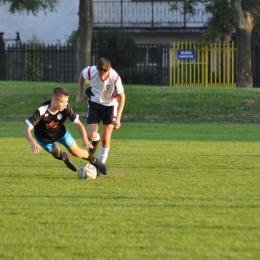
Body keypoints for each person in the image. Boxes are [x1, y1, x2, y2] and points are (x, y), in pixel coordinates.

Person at [23, 87, 107, 175]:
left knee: (77, 152)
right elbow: (26, 130)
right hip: (45, 139)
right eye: (62, 102)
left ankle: (96, 162)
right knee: (56, 154)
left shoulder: (66, 107)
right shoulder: (42, 111)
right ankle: (65, 158)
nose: (65, 104)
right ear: (53, 100)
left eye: (66, 101)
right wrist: (33, 142)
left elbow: (78, 124)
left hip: (61, 134)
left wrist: (85, 139)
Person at [76, 57, 125, 164]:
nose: (102, 76)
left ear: (109, 69)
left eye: (105, 73)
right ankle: (96, 138)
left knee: (106, 138)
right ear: (96, 69)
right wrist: (79, 95)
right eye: (99, 73)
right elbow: (82, 76)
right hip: (94, 103)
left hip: (110, 106)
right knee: (91, 136)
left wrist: (119, 119)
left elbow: (122, 97)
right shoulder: (91, 71)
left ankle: (99, 166)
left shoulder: (115, 77)